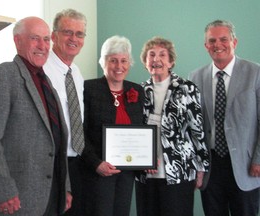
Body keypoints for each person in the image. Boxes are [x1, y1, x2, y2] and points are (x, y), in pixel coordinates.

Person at [0, 9, 87, 216]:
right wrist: (4, 191)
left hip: (52, 193)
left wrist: (65, 187)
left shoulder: (47, 82)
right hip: (17, 197)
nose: (43, 46)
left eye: (45, 40)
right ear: (17, 41)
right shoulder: (4, 75)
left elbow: (59, 139)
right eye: (35, 39)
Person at [189, 19, 260, 216]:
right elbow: (193, 126)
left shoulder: (255, 73)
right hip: (211, 166)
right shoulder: (195, 77)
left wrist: (259, 159)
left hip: (246, 166)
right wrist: (196, 166)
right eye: (212, 41)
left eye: (223, 39)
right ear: (206, 46)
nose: (217, 45)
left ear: (234, 42)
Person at [135, 36, 209, 216]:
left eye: (162, 55)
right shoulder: (138, 91)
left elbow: (197, 129)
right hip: (146, 172)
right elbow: (135, 131)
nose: (156, 59)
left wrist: (201, 167)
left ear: (171, 61)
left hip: (179, 170)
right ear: (145, 62)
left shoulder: (187, 88)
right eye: (151, 55)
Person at [81, 35, 144, 216]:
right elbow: (80, 132)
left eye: (123, 60)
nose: (119, 66)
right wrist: (96, 163)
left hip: (127, 172)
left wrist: (147, 156)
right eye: (113, 60)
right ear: (103, 62)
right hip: (99, 170)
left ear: (129, 63)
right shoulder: (89, 88)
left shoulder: (137, 91)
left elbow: (142, 129)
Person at [43, 9, 86, 216]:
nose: (73, 39)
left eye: (79, 34)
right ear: (53, 36)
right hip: (51, 164)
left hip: (76, 161)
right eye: (67, 32)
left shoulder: (76, 73)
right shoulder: (40, 69)